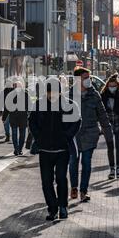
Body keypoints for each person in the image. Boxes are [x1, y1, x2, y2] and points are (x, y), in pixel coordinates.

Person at [29, 78, 81, 221]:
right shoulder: (39, 104)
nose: (52, 94)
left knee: (61, 179)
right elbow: (32, 121)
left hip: (62, 150)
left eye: (55, 91)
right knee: (46, 181)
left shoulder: (69, 104)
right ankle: (52, 208)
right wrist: (39, 137)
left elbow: (77, 121)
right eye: (49, 91)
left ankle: (63, 206)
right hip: (45, 150)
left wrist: (67, 136)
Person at [69, 68, 113, 202]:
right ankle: (74, 187)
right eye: (85, 78)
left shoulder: (94, 95)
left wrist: (108, 132)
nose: (89, 80)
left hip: (90, 133)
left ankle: (83, 190)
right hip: (73, 136)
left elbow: (102, 114)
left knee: (87, 163)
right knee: (73, 163)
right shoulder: (68, 96)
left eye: (89, 77)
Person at [3, 81, 29, 156]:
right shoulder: (25, 94)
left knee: (17, 134)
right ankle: (18, 149)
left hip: (17, 117)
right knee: (21, 134)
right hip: (21, 117)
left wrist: (4, 117)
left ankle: (17, 149)